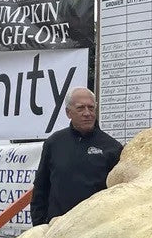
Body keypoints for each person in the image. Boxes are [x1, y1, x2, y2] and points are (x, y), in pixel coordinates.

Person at [31, 87, 123, 226]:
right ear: (68, 112)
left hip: (95, 229)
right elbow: (41, 188)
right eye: (80, 108)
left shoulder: (112, 147)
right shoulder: (54, 143)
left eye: (91, 108)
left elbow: (119, 193)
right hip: (57, 229)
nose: (87, 113)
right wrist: (39, 225)